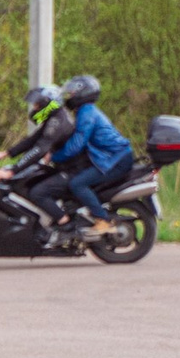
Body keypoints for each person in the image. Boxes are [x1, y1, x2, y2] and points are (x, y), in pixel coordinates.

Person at [53, 75, 134, 237]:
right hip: (110, 157)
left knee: (77, 184)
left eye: (73, 93)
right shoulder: (85, 111)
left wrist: (54, 157)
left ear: (84, 93)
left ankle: (102, 220)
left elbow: (77, 144)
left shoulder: (86, 113)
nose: (70, 96)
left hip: (115, 160)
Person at [0, 85, 76, 221]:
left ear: (48, 104)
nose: (35, 108)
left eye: (38, 104)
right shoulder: (55, 117)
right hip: (64, 167)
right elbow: (32, 140)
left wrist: (12, 171)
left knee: (37, 192)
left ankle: (64, 222)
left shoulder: (57, 123)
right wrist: (6, 153)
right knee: (30, 177)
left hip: (72, 170)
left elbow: (39, 149)